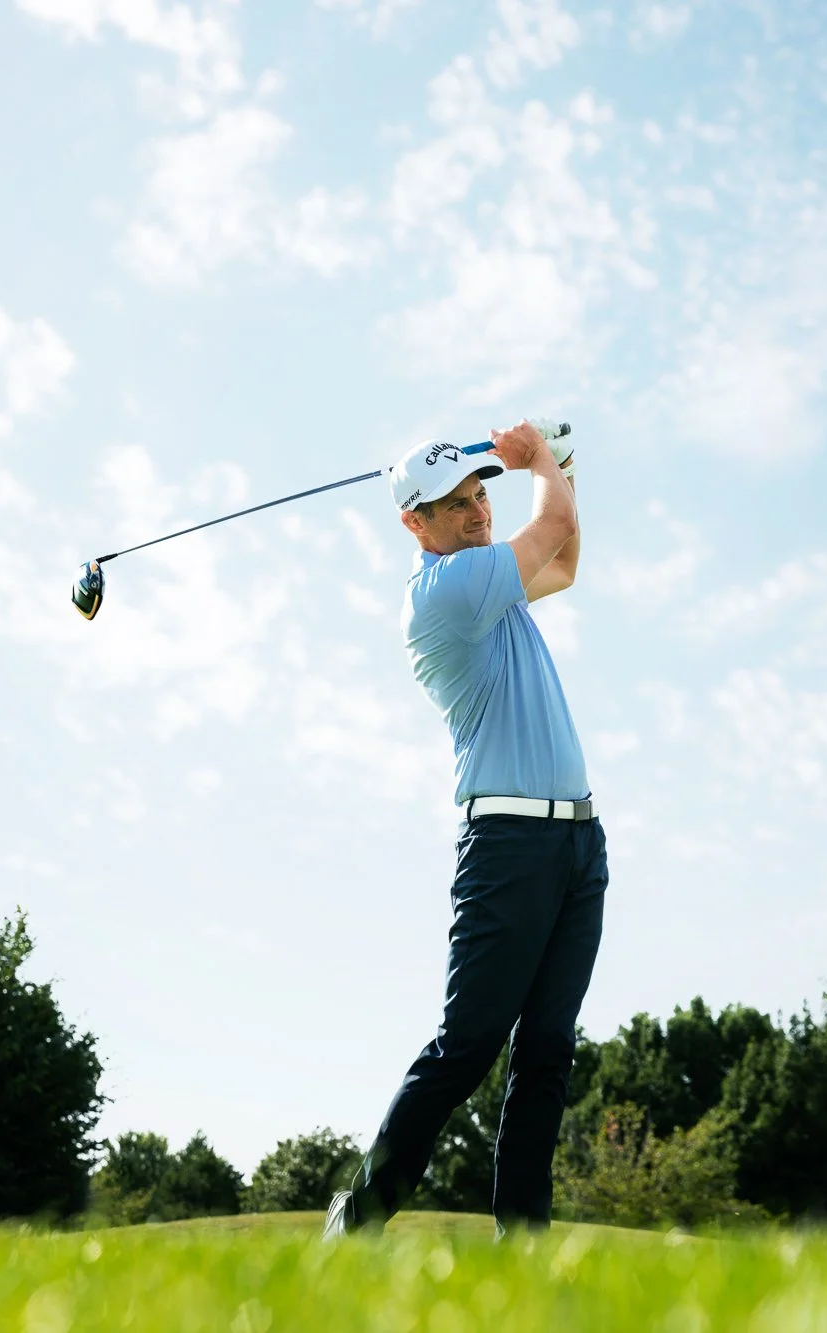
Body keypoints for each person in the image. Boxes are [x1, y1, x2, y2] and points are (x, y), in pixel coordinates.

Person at [324, 419, 606, 1239]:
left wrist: (564, 467)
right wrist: (540, 462)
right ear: (414, 524)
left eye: (481, 493)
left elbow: (567, 561)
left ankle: (524, 1244)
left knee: (547, 1050)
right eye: (454, 505)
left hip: (577, 844)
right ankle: (358, 1217)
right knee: (469, 1044)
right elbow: (549, 528)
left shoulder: (491, 578)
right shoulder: (448, 591)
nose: (478, 512)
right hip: (509, 845)